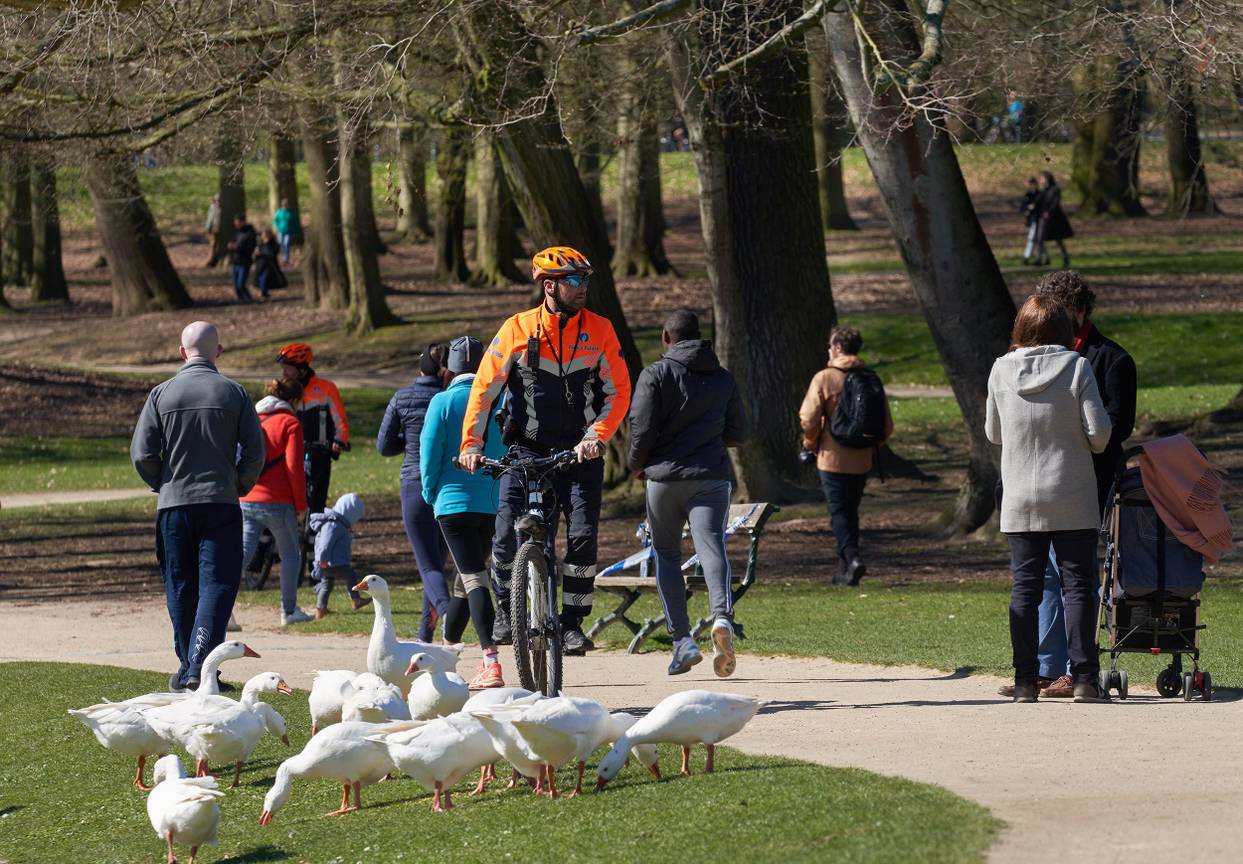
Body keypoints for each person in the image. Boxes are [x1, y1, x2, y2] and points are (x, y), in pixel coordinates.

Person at [459, 245, 632, 656]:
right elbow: (484, 391)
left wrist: (598, 436)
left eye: (585, 280)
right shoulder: (517, 329)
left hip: (579, 454)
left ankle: (572, 623)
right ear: (548, 285)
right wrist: (471, 444)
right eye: (573, 280)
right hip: (525, 451)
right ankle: (507, 611)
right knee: (504, 535)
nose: (582, 288)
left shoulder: (601, 329)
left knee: (583, 537)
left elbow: (620, 391)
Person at [998, 271, 1138, 699]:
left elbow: (1117, 427)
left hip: (1066, 487)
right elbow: (1097, 433)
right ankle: (1057, 673)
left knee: (1055, 583)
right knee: (1057, 583)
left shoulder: (1107, 359)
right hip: (1067, 486)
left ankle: (1043, 677)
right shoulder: (1074, 366)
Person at [130, 321, 264, 692]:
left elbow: (142, 453)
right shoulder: (234, 393)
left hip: (174, 505)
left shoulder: (162, 394)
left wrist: (164, 483)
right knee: (217, 585)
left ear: (181, 351)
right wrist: (238, 482)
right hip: (220, 502)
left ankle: (191, 664)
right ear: (218, 351)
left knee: (180, 583)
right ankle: (199, 668)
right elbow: (256, 452)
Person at [628, 309, 748, 677]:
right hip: (710, 475)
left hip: (663, 479)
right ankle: (722, 617)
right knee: (711, 546)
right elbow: (738, 432)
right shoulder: (723, 378)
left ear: (666, 337)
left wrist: (636, 462)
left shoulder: (655, 373)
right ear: (700, 336)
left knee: (665, 554)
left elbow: (641, 426)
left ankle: (682, 640)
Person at [421, 337, 508, 688]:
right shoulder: (498, 399)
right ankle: (447, 652)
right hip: (491, 501)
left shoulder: (442, 401)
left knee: (473, 577)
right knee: (465, 579)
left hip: (452, 502)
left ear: (450, 369)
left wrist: (431, 494)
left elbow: (428, 453)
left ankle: (491, 660)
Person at [799, 326, 894, 586]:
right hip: (862, 458)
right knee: (851, 512)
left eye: (830, 346)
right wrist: (870, 444)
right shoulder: (870, 377)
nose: (829, 350)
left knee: (839, 512)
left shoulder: (825, 378)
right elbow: (887, 426)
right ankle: (844, 568)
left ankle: (852, 558)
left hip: (831, 457)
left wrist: (811, 443)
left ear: (838, 347)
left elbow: (808, 418)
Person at [377, 344, 453, 641]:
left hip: (414, 482)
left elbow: (383, 446)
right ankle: (425, 637)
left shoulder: (402, 397)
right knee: (435, 564)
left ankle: (447, 614)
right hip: (449, 486)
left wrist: (409, 444)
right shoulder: (450, 398)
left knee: (428, 564)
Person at [239, 378, 313, 626]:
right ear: (292, 400)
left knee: (240, 557)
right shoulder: (290, 423)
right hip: (278, 500)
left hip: (247, 497)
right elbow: (294, 468)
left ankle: (221, 609)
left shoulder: (253, 418)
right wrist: (301, 504)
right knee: (290, 553)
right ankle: (289, 610)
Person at [277, 343, 350, 518]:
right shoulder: (284, 389)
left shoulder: (326, 388)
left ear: (301, 370)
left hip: (320, 449)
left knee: (318, 495)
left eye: (287, 368)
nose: (284, 372)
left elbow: (339, 418)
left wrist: (339, 440)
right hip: (292, 449)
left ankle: (315, 534)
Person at [309, 493, 368, 616]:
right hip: (334, 562)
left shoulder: (338, 525)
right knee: (350, 576)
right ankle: (355, 599)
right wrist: (322, 560)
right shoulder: (333, 525)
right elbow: (325, 544)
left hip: (329, 563)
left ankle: (321, 609)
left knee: (326, 584)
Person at [1034, 171, 1073, 268]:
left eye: (1042, 178)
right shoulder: (1044, 190)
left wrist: (1049, 212)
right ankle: (1041, 258)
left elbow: (1055, 203)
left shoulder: (1055, 189)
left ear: (1047, 178)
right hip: (1044, 218)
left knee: (1058, 239)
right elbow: (1039, 202)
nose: (1041, 180)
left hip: (1054, 219)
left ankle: (1065, 258)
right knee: (1039, 238)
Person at [226, 214, 257, 303]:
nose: (236, 224)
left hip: (244, 261)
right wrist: (230, 246)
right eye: (235, 223)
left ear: (243, 222)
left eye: (238, 222)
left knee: (241, 284)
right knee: (236, 284)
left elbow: (250, 248)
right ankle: (241, 299)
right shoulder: (237, 233)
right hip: (235, 261)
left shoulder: (250, 233)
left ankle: (248, 299)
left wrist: (237, 248)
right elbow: (233, 242)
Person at [252, 228, 286, 300]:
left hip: (270, 265)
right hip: (260, 265)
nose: (265, 236)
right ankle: (264, 293)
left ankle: (264, 294)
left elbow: (271, 253)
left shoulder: (274, 244)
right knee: (260, 279)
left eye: (266, 235)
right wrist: (256, 254)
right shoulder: (260, 244)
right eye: (263, 235)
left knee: (265, 279)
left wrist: (266, 246)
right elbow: (256, 255)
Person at [1019, 177, 1042, 265]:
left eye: (1033, 184)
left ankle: (1026, 257)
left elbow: (1041, 207)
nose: (1032, 186)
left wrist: (1034, 207)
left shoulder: (1039, 194)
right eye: (1031, 184)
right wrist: (1028, 208)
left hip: (1037, 219)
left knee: (1032, 238)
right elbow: (1022, 207)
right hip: (1031, 219)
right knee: (1037, 239)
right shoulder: (1028, 194)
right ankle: (1044, 257)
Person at [272, 197, 301, 266]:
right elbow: (276, 220)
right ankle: (281, 257)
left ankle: (286, 259)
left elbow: (296, 222)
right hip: (281, 231)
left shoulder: (292, 212)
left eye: (286, 205)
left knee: (286, 244)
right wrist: (278, 227)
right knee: (281, 244)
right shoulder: (280, 212)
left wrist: (297, 230)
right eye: (283, 205)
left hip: (289, 231)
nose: (285, 206)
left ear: (288, 205)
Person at [203, 195, 221, 268]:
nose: (218, 202)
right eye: (216, 200)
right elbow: (210, 219)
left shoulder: (223, 209)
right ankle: (211, 260)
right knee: (213, 245)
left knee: (218, 245)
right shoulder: (212, 207)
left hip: (220, 229)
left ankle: (214, 260)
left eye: (219, 200)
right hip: (213, 229)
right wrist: (207, 228)